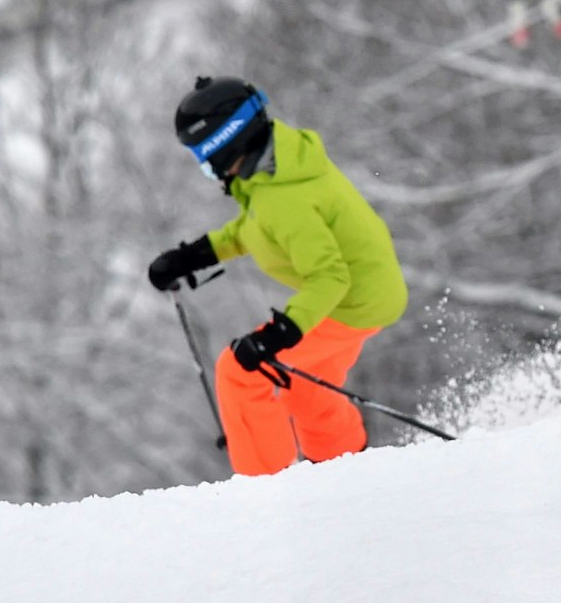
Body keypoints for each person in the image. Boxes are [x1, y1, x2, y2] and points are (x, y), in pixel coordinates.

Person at [148, 78, 408, 476]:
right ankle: (345, 471)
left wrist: (277, 335)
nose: (207, 170)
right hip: (369, 293)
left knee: (240, 371)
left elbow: (328, 277)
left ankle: (263, 492)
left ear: (226, 143)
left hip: (352, 301)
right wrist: (192, 256)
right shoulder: (276, 171)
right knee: (305, 387)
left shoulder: (283, 196)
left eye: (204, 158)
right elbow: (253, 230)